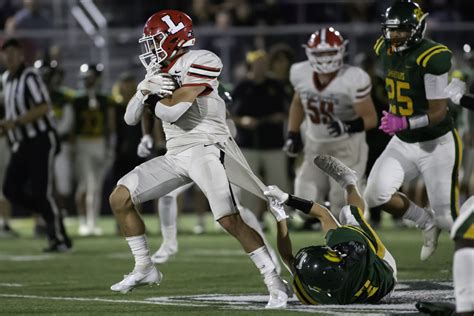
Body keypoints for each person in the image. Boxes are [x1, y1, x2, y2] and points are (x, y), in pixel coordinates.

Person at [108, 10, 289, 308]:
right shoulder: (156, 71)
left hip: (206, 148)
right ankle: (145, 267)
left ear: (174, 39)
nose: (150, 48)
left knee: (230, 220)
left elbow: (173, 112)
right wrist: (143, 89)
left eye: (155, 40)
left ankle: (274, 282)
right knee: (120, 198)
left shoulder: (202, 59)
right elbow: (130, 118)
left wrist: (151, 97)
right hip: (176, 154)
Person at [365, 0, 459, 261]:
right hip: (404, 141)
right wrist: (399, 122)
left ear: (417, 29)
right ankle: (425, 221)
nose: (394, 36)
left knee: (449, 218)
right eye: (391, 30)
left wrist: (404, 122)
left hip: (436, 142)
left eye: (402, 30)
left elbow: (438, 111)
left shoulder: (432, 57)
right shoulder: (384, 48)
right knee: (374, 194)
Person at [263, 154, 396, 304]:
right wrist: (287, 199)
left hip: (366, 287)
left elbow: (287, 256)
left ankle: (348, 181)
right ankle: (348, 180)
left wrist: (280, 218)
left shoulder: (312, 294)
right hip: (384, 272)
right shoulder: (354, 246)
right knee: (349, 213)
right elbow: (323, 214)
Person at [284, 27, 377, 218]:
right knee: (303, 201)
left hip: (347, 145)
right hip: (315, 144)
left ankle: (355, 231)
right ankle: (330, 214)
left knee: (341, 203)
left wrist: (347, 125)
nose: (325, 58)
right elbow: (297, 103)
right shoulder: (300, 73)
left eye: (329, 52)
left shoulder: (353, 78)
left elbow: (370, 118)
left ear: (341, 51)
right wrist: (292, 133)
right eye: (321, 53)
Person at [0, 38, 71, 251]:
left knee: (42, 191)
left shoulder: (30, 76)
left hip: (41, 140)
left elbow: (43, 107)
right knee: (10, 189)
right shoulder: (5, 79)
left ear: (21, 55)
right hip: (21, 142)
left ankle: (59, 239)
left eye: (13, 52)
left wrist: (16, 122)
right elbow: (9, 110)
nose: (10, 56)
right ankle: (51, 213)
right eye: (6, 53)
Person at [231, 49, 289, 227]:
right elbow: (230, 113)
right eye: (257, 64)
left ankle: (283, 219)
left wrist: (279, 117)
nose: (261, 67)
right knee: (249, 186)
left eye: (263, 64)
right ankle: (250, 219)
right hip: (248, 142)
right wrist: (243, 121)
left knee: (278, 184)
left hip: (273, 142)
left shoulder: (276, 85)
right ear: (250, 66)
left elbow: (288, 109)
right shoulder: (242, 87)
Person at [73, 63, 116, 236]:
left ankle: (89, 221)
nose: (88, 81)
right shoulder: (77, 99)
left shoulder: (105, 99)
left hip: (100, 143)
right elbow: (72, 126)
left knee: (92, 186)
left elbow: (110, 125)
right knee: (90, 186)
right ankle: (89, 222)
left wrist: (110, 145)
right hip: (83, 143)